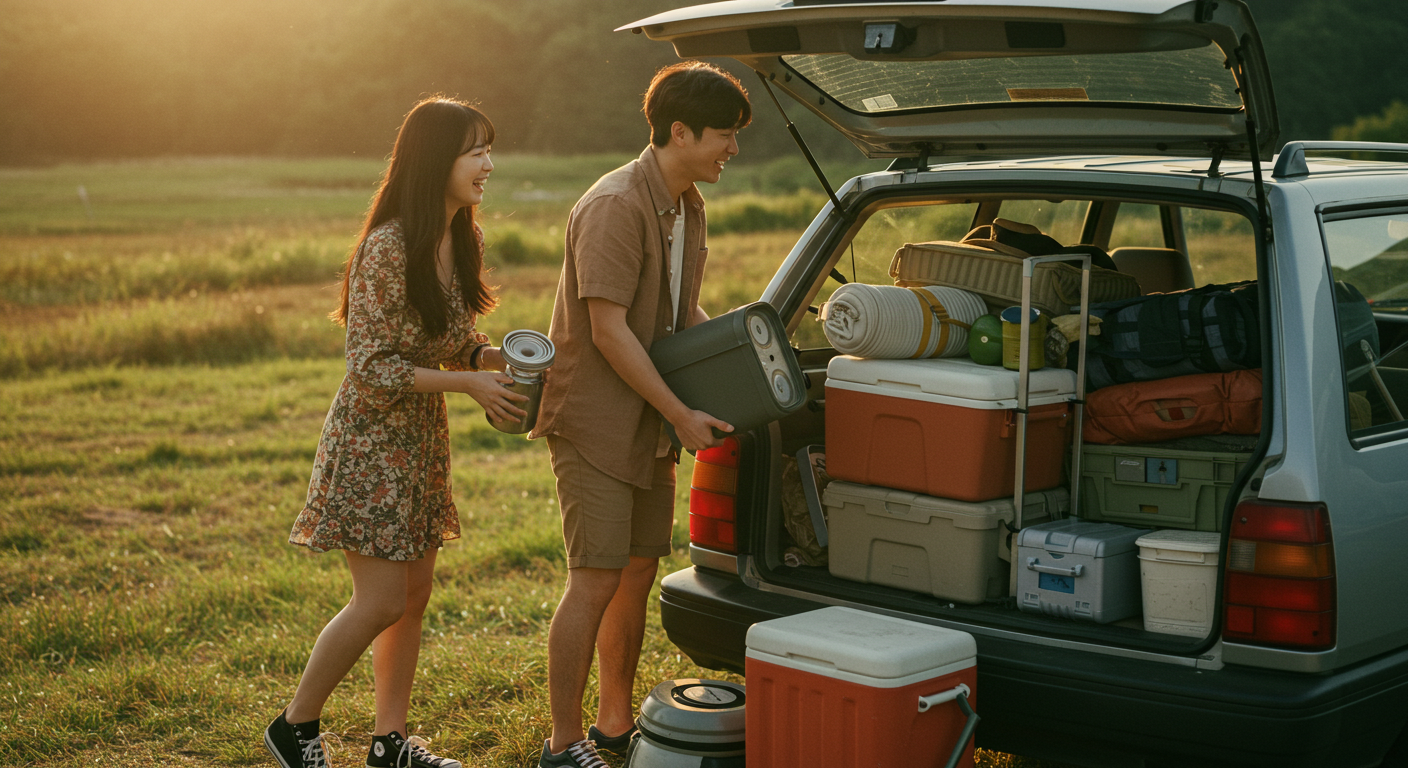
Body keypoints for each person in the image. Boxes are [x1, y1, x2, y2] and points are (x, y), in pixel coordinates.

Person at [263, 97, 529, 768]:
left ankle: (390, 743)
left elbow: (455, 338)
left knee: (412, 596)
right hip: (372, 444)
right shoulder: (386, 247)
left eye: (488, 150)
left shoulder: (455, 237)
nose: (488, 165)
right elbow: (371, 365)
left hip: (419, 442)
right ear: (436, 159)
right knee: (380, 599)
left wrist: (493, 360)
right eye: (477, 152)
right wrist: (468, 384)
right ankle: (294, 726)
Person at [527, 61, 751, 768]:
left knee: (637, 572)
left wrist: (746, 369)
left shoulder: (687, 205)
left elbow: (682, 317)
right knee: (593, 579)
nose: (732, 150)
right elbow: (609, 330)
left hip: (650, 425)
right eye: (724, 135)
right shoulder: (616, 205)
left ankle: (614, 726)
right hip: (596, 421)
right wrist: (682, 413)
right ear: (678, 132)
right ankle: (562, 746)